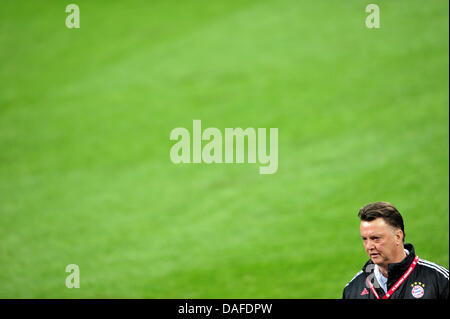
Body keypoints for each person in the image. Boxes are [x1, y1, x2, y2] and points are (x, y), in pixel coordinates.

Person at [343, 201, 449, 299]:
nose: (369, 246)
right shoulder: (353, 289)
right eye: (365, 239)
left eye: (376, 238)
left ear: (398, 237)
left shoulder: (439, 281)